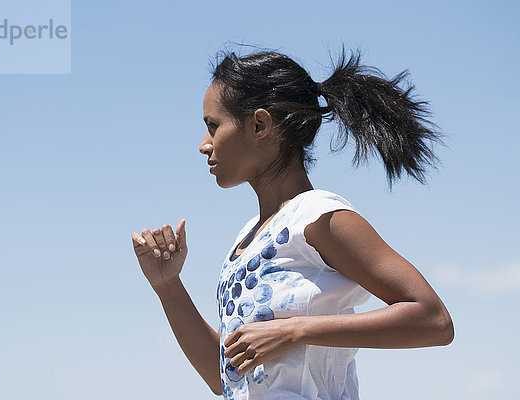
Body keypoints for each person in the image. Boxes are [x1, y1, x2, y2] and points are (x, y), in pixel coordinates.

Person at [131, 46, 454, 400]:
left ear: (259, 124)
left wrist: (297, 330)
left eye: (213, 126)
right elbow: (225, 377)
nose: (203, 145)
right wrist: (168, 286)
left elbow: (433, 321)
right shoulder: (246, 239)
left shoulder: (318, 216)